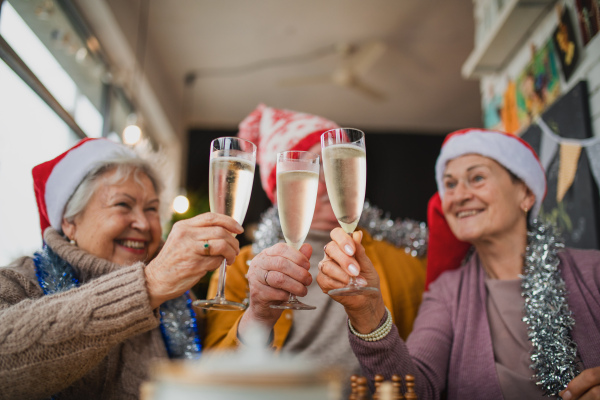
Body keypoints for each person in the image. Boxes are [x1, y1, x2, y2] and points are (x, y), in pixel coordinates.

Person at [317, 128, 600, 400]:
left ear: (525, 194)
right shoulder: (447, 294)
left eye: (477, 178)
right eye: (450, 184)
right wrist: (368, 313)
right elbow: (413, 390)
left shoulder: (593, 271)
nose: (458, 195)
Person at [203, 104, 427, 389]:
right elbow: (212, 381)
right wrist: (257, 317)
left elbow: (423, 381)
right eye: (311, 166)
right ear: (280, 187)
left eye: (335, 164)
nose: (325, 177)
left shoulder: (406, 264)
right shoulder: (242, 268)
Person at [0, 138, 243, 399]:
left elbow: (216, 376)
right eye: (122, 205)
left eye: (151, 209)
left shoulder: (179, 300)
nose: (142, 223)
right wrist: (148, 285)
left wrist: (258, 318)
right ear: (69, 221)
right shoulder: (21, 280)